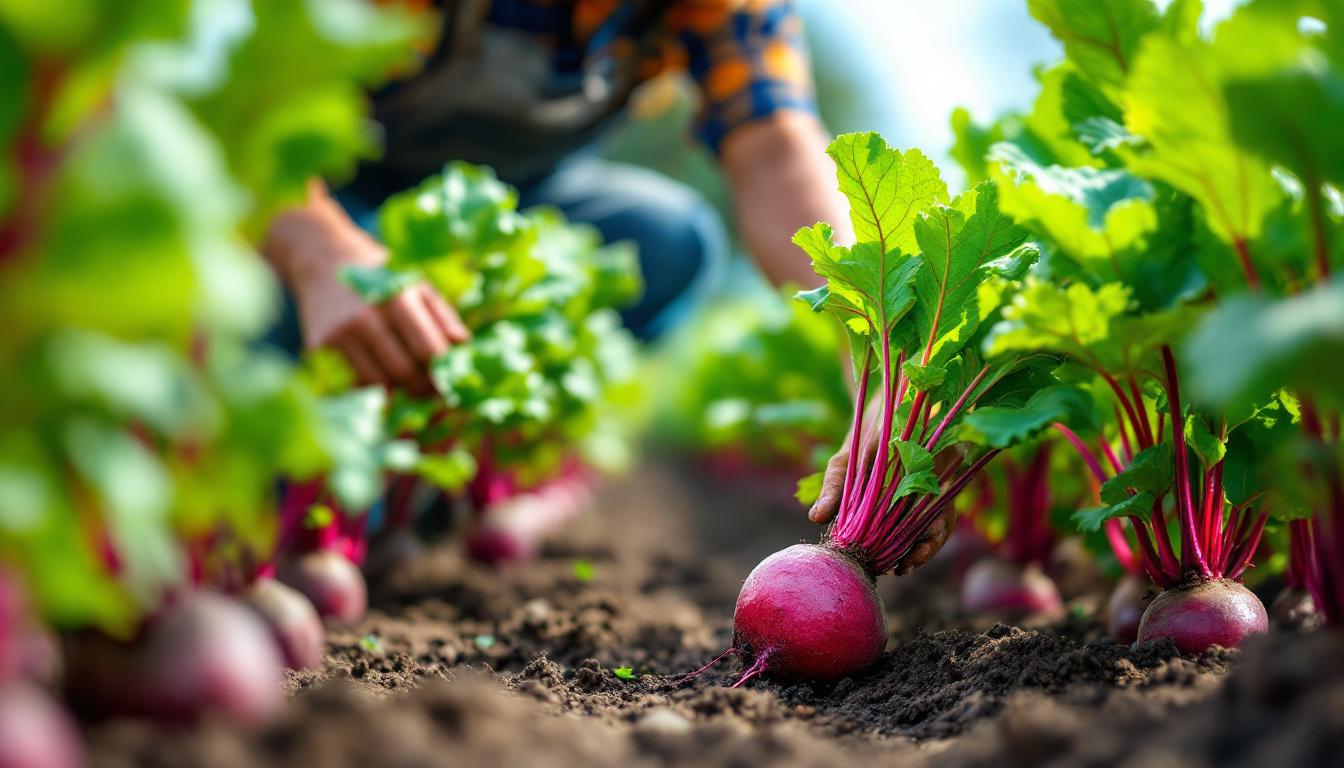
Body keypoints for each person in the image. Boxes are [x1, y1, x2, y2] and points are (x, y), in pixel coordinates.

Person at [261, 0, 949, 574]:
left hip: (508, 217)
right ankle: (287, 487)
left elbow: (772, 142)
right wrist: (318, 249)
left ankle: (428, 493)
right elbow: (231, 101)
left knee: (667, 240)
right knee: (262, 335)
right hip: (313, 194)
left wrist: (877, 354)